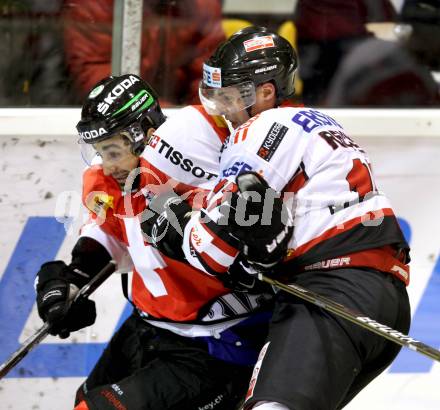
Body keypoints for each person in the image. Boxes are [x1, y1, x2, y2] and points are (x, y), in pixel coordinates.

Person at [144, 26, 412, 410]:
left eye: (230, 97)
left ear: (266, 92)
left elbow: (212, 251)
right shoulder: (319, 123)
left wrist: (180, 227)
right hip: (383, 294)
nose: (222, 109)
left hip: (333, 290)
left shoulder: (259, 128)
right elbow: (266, 236)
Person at [34, 73, 273, 409]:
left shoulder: (202, 161)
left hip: (214, 344)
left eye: (114, 150)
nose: (108, 165)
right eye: (102, 152)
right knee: (84, 400)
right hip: (149, 327)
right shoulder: (113, 180)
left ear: (145, 134)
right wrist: (73, 278)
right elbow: (110, 233)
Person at [62, 0, 225, 106]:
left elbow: (209, 76)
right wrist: (157, 114)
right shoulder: (95, 4)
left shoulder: (201, 6)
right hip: (105, 120)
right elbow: (95, 75)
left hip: (177, 116)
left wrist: (197, 118)